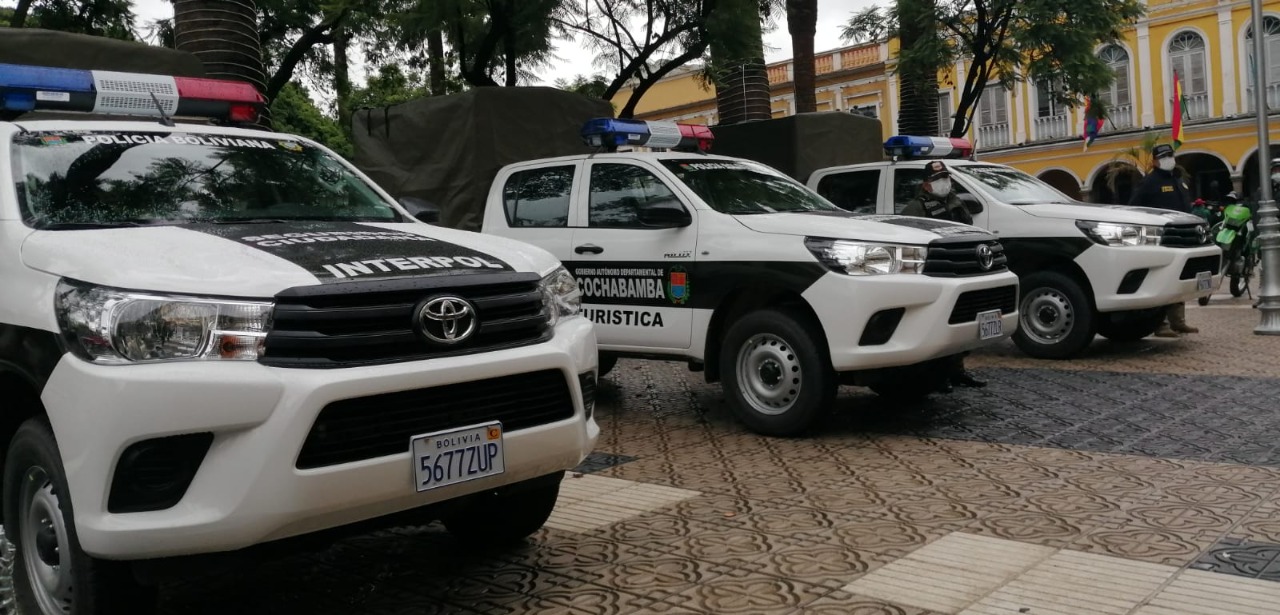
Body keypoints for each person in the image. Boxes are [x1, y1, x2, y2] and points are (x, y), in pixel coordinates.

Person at [902, 160, 985, 390]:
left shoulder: (955, 202)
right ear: (926, 185)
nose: (944, 183)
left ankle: (958, 371)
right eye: (937, 179)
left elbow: (968, 227)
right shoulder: (915, 208)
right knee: (940, 326)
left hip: (962, 268)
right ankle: (938, 376)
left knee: (962, 324)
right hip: (939, 272)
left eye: (945, 178)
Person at [1130, 144, 1198, 337]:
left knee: (1179, 279)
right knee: (1163, 281)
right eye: (1163, 157)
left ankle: (1178, 321)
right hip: (1162, 239)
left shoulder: (1178, 179)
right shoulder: (1149, 182)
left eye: (1170, 155)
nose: (1168, 159)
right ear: (1155, 161)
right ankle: (1160, 324)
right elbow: (1134, 207)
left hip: (1183, 237)